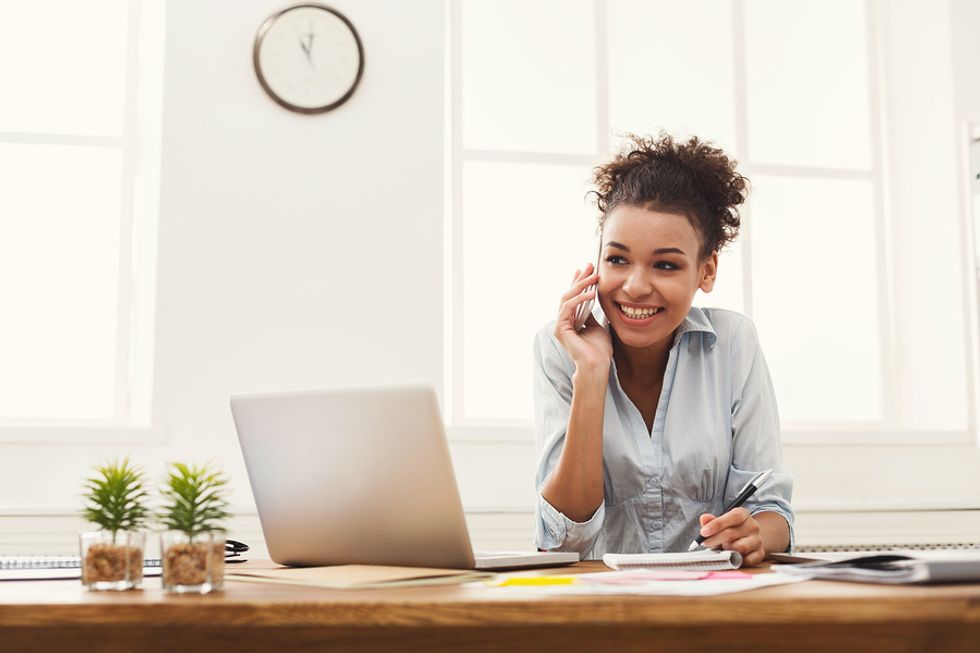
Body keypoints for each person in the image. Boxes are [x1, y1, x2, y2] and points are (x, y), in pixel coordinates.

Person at [533, 133, 793, 565]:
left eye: (666, 265)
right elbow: (564, 542)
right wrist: (592, 374)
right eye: (617, 259)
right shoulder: (561, 348)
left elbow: (774, 513)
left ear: (706, 270)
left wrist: (753, 534)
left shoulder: (733, 343)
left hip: (710, 603)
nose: (635, 286)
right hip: (600, 609)